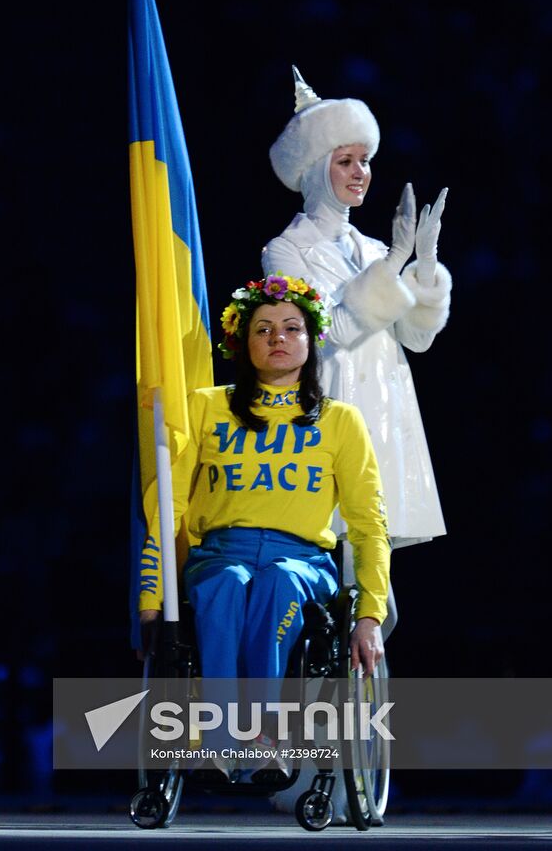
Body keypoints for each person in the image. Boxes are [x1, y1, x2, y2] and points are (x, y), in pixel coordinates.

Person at [138, 275, 391, 688]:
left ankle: (261, 732)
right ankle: (224, 738)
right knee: (227, 584)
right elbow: (167, 508)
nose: (278, 338)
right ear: (243, 341)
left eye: (292, 328)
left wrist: (369, 616)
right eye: (264, 329)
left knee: (279, 581)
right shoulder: (205, 406)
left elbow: (369, 524)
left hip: (302, 563)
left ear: (311, 342)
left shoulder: (340, 420)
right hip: (219, 556)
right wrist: (150, 602)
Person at [263, 68, 452, 551]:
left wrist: (425, 269)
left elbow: (416, 338)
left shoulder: (370, 249)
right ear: (313, 169)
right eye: (345, 160)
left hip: (388, 415)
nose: (359, 172)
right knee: (333, 569)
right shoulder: (285, 251)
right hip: (335, 408)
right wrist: (393, 263)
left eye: (364, 160)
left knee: (374, 582)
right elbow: (327, 335)